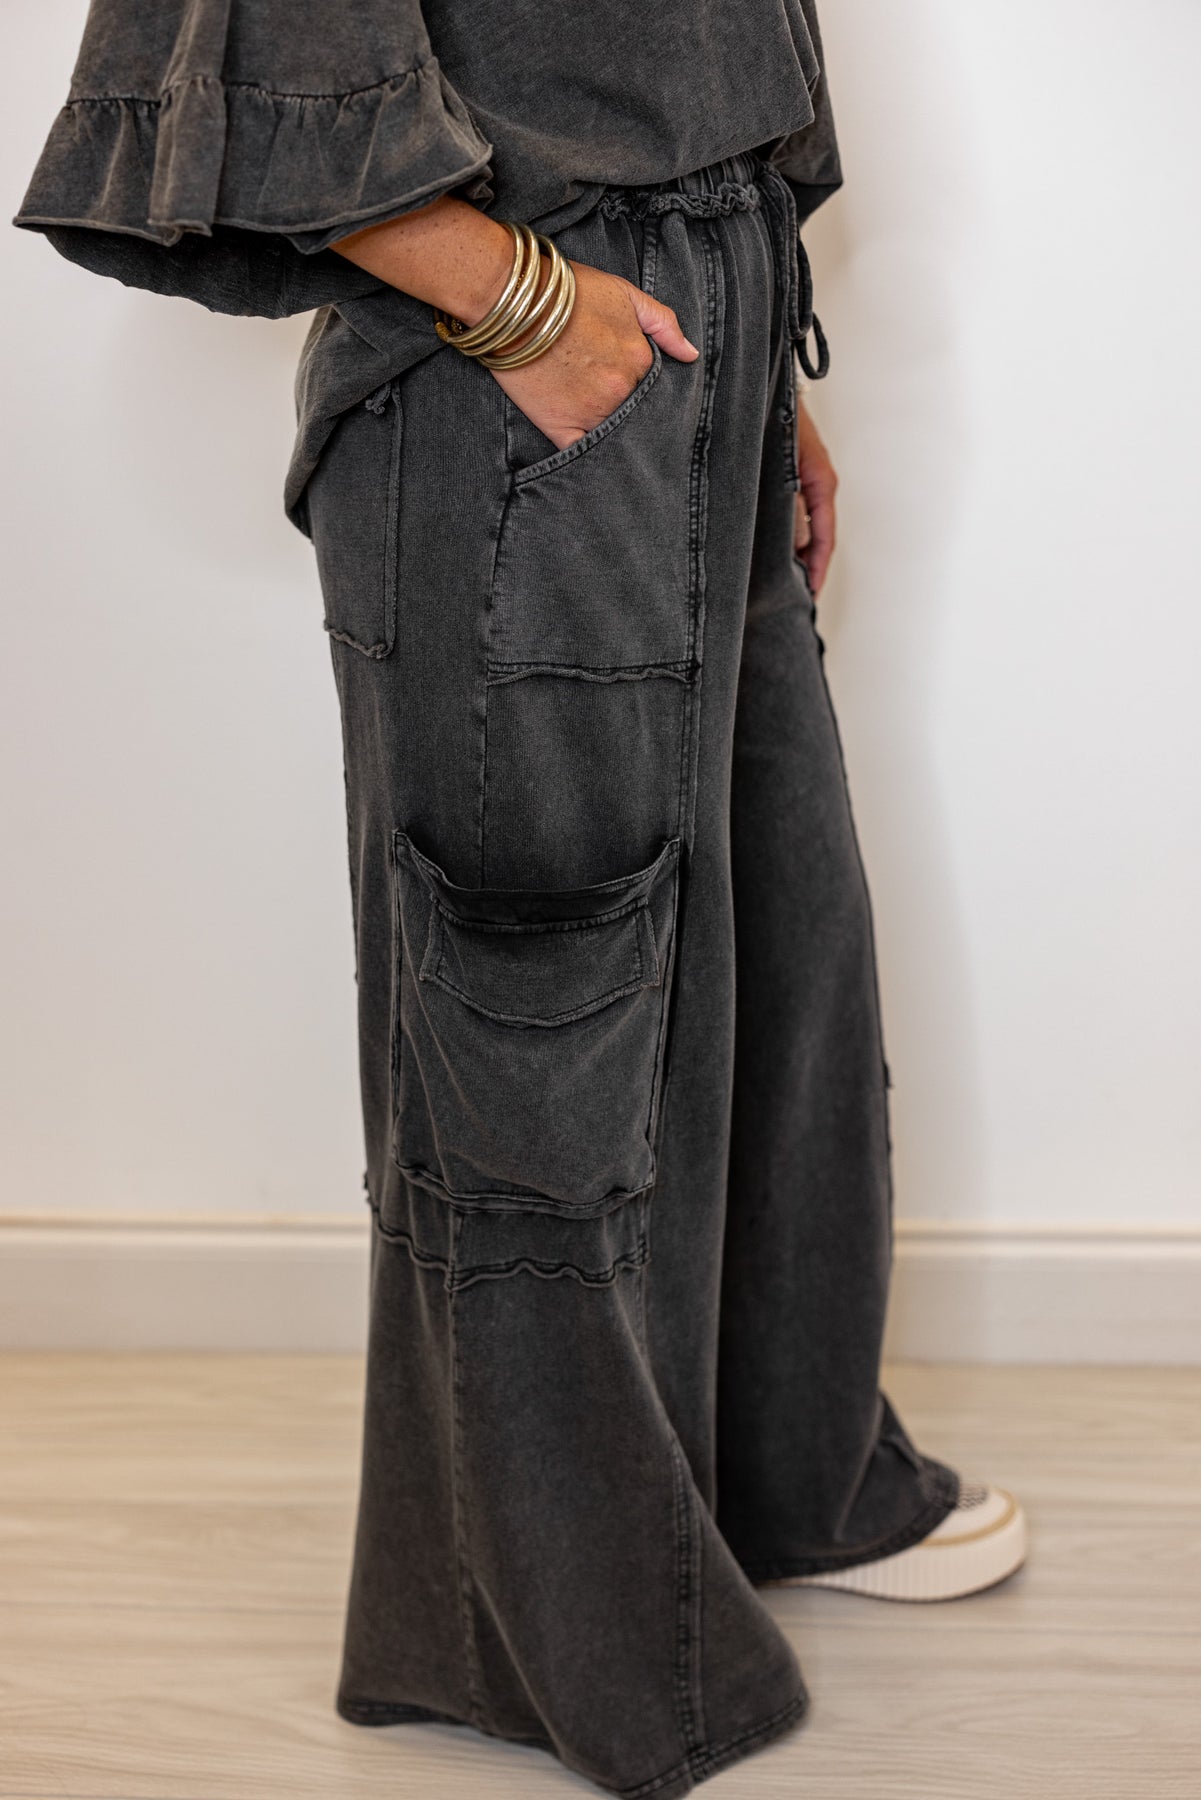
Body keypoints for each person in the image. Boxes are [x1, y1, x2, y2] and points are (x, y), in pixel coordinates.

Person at [15, 3, 1027, 1794]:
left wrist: (755, 381)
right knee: (541, 1020)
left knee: (775, 947)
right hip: (511, 349)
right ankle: (560, 1629)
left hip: (694, 326)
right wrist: (522, 304)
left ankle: (779, 1481)